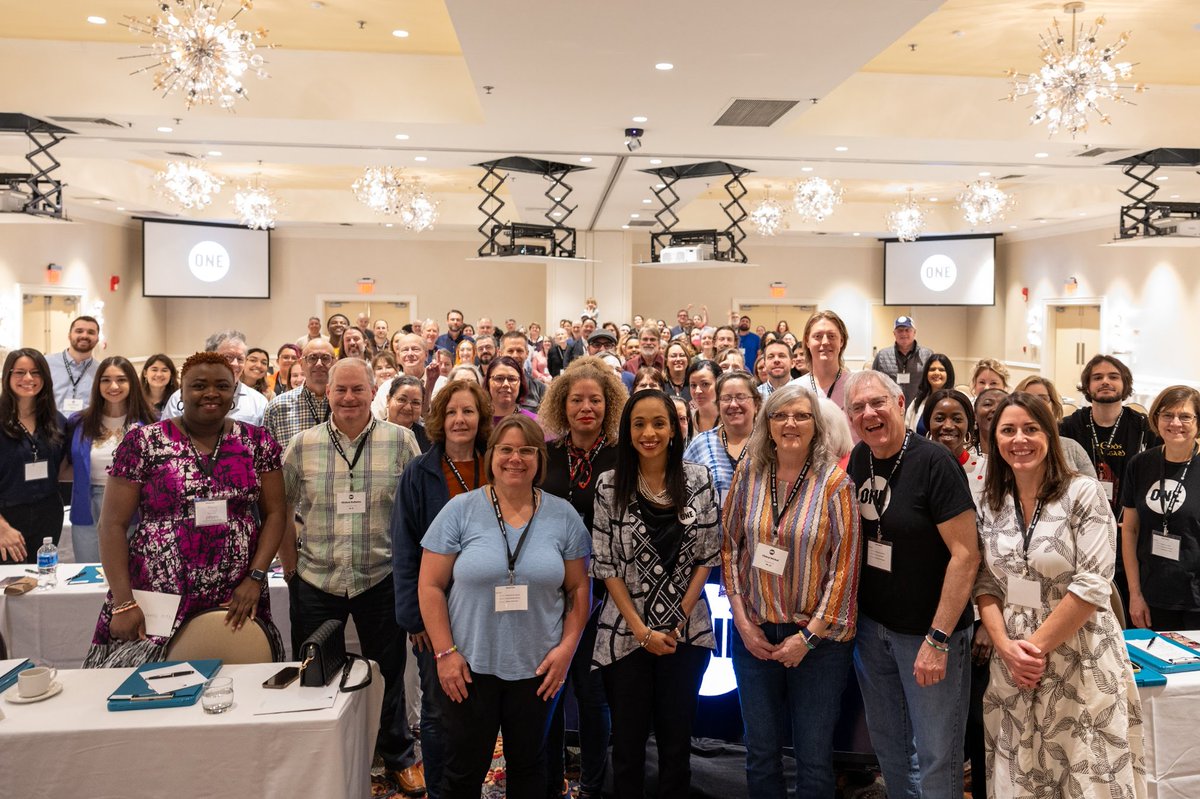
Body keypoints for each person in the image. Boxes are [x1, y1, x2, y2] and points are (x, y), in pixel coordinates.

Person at [975, 392, 1146, 798]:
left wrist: (1031, 651)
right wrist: (1006, 648)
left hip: (1078, 656)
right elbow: (985, 582)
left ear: (1050, 435)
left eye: (1031, 429)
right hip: (1014, 663)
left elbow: (1092, 585)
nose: (1020, 439)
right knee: (1022, 772)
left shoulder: (1083, 493)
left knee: (1085, 772)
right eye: (1008, 430)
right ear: (995, 440)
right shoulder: (992, 501)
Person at [419, 415, 590, 799]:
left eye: (527, 450)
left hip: (538, 668)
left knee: (530, 770)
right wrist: (444, 653)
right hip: (469, 666)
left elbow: (580, 589)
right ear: (491, 455)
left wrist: (566, 651)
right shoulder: (460, 510)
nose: (516, 458)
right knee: (462, 772)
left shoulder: (562, 515)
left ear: (539, 459)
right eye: (506, 449)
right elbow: (430, 586)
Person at [83, 352, 285, 666]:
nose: (211, 393)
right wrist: (123, 601)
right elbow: (111, 525)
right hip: (157, 591)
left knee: (236, 688)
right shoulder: (144, 442)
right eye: (199, 385)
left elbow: (275, 513)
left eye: (222, 385)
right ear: (181, 391)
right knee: (144, 691)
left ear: (233, 393)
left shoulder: (257, 443)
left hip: (236, 591)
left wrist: (255, 579)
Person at [281, 358, 424, 795]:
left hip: (379, 577)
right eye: (340, 390)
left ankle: (397, 754)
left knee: (388, 671)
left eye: (357, 390)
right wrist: (290, 570)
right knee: (314, 672)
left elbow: (416, 513)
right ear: (328, 393)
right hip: (316, 579)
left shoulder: (401, 443)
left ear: (371, 391)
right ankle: (316, 754)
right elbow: (279, 508)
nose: (348, 398)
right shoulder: (302, 445)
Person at [844, 369, 980, 799]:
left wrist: (938, 639)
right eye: (858, 408)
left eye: (877, 403)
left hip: (929, 634)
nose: (869, 413)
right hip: (874, 631)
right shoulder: (861, 457)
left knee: (938, 754)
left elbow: (966, 555)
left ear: (900, 405)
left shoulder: (934, 463)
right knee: (890, 749)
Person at [722, 384, 862, 799]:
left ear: (816, 426)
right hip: (757, 636)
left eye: (801, 416)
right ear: (767, 424)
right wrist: (743, 623)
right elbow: (729, 547)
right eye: (780, 415)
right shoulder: (749, 474)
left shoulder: (836, 485)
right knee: (760, 752)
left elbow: (845, 570)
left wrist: (808, 637)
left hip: (818, 645)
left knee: (813, 757)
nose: (790, 424)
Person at [590, 389, 720, 799]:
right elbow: (605, 564)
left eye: (659, 423)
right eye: (639, 423)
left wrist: (674, 618)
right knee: (626, 746)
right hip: (625, 633)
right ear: (627, 431)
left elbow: (708, 554)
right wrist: (642, 630)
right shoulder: (609, 485)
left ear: (674, 429)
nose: (649, 432)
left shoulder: (697, 479)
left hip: (686, 631)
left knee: (676, 744)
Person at [393, 380, 493, 799]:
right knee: (437, 710)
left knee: (482, 708)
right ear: (439, 418)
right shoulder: (420, 471)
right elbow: (404, 546)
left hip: (493, 611)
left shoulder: (497, 463)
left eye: (468, 411)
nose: (459, 420)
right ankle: (440, 791)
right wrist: (414, 618)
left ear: (481, 418)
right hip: (438, 613)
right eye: (451, 412)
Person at [538, 357, 626, 799]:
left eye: (595, 400)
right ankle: (551, 782)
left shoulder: (621, 455)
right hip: (547, 591)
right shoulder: (546, 454)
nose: (586, 408)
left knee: (593, 695)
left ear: (608, 404)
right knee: (546, 691)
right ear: (562, 404)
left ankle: (594, 785)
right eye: (577, 400)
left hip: (603, 593)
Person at [1060, 354, 1157, 618]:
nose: (1106, 382)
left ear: (1125, 384)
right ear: (1087, 386)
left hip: (1129, 533)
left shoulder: (1144, 429)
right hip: (1080, 534)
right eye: (1097, 377)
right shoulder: (1068, 427)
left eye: (1113, 377)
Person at [65, 356, 158, 562]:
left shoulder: (151, 422)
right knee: (89, 573)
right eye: (106, 380)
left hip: (133, 505)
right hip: (87, 505)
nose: (113, 386)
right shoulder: (79, 421)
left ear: (132, 383)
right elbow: (68, 464)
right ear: (97, 384)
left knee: (128, 574)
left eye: (121, 379)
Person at [1123, 385, 1200, 631]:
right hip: (1151, 595)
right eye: (1167, 415)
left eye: (1185, 416)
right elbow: (1130, 531)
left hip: (1196, 600)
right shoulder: (1140, 464)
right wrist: (1135, 594)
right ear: (1156, 418)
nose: (1175, 422)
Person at [0, 349, 67, 563]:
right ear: (7, 377)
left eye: (35, 372)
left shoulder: (57, 421)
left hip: (48, 515)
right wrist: (2, 528)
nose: (28, 378)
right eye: (20, 372)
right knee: (9, 588)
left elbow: (65, 466)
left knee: (43, 582)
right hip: (6, 519)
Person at [683, 370, 760, 506]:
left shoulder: (770, 443)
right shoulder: (701, 444)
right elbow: (684, 491)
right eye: (726, 398)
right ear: (718, 405)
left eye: (741, 397)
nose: (733, 404)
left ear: (757, 404)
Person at [161, 331, 269, 426]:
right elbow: (166, 436)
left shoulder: (258, 402)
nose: (235, 364)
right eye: (228, 357)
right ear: (210, 356)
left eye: (240, 359)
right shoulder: (179, 397)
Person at [1015, 376, 1096, 477]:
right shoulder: (1011, 446)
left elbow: (1095, 490)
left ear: (1053, 405)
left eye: (1043, 398)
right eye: (1028, 398)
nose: (1035, 404)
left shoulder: (1072, 449)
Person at [262, 340, 334, 450]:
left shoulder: (347, 404)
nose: (319, 364)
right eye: (312, 358)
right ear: (301, 364)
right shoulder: (277, 406)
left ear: (335, 362)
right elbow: (266, 458)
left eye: (325, 358)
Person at [872, 316, 934, 406]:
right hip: (891, 408)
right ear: (894, 333)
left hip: (918, 408)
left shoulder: (928, 355)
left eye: (907, 330)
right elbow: (874, 384)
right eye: (900, 330)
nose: (903, 333)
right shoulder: (882, 356)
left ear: (914, 332)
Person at [46, 315, 101, 412]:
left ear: (97, 339)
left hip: (86, 426)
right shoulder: (47, 363)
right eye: (79, 331)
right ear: (69, 335)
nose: (84, 336)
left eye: (91, 332)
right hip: (51, 425)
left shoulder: (101, 370)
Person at [800, 311, 850, 409]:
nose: (825, 342)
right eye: (817, 336)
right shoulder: (794, 389)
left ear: (841, 341)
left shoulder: (856, 386)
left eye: (831, 336)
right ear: (807, 341)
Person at [905, 353, 954, 434]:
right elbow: (906, 428)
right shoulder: (917, 401)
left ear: (948, 374)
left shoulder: (956, 402)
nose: (936, 373)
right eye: (932, 369)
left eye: (941, 370)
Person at [486, 356, 538, 427]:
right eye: (499, 378)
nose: (506, 384)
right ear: (488, 383)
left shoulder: (535, 422)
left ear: (521, 383)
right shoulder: (478, 421)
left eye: (512, 379)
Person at [387, 374, 431, 453]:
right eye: (402, 400)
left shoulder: (429, 440)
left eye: (415, 403)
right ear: (388, 400)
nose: (408, 407)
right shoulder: (371, 433)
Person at [686, 359, 721, 435]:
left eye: (705, 384)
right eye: (693, 385)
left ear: (719, 384)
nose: (697, 391)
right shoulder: (686, 420)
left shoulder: (730, 420)